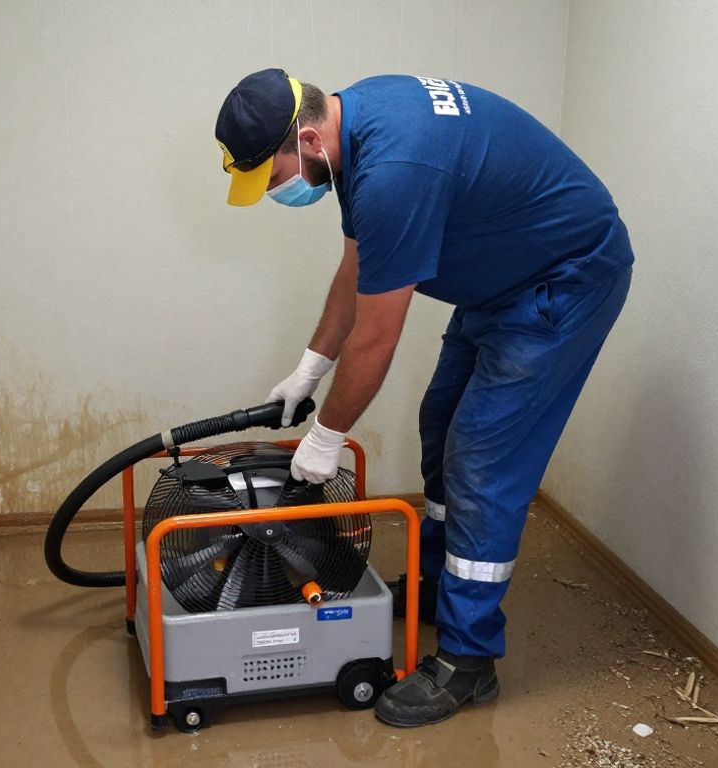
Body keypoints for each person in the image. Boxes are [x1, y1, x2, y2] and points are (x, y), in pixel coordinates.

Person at [214, 69, 633, 728]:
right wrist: (310, 368)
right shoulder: (360, 123)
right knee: (440, 423)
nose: (274, 191)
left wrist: (325, 438)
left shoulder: (395, 170)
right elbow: (358, 267)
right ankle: (440, 587)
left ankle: (469, 662)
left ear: (309, 138)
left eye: (273, 175)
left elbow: (378, 339)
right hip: (503, 283)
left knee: (481, 462)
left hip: (565, 281)